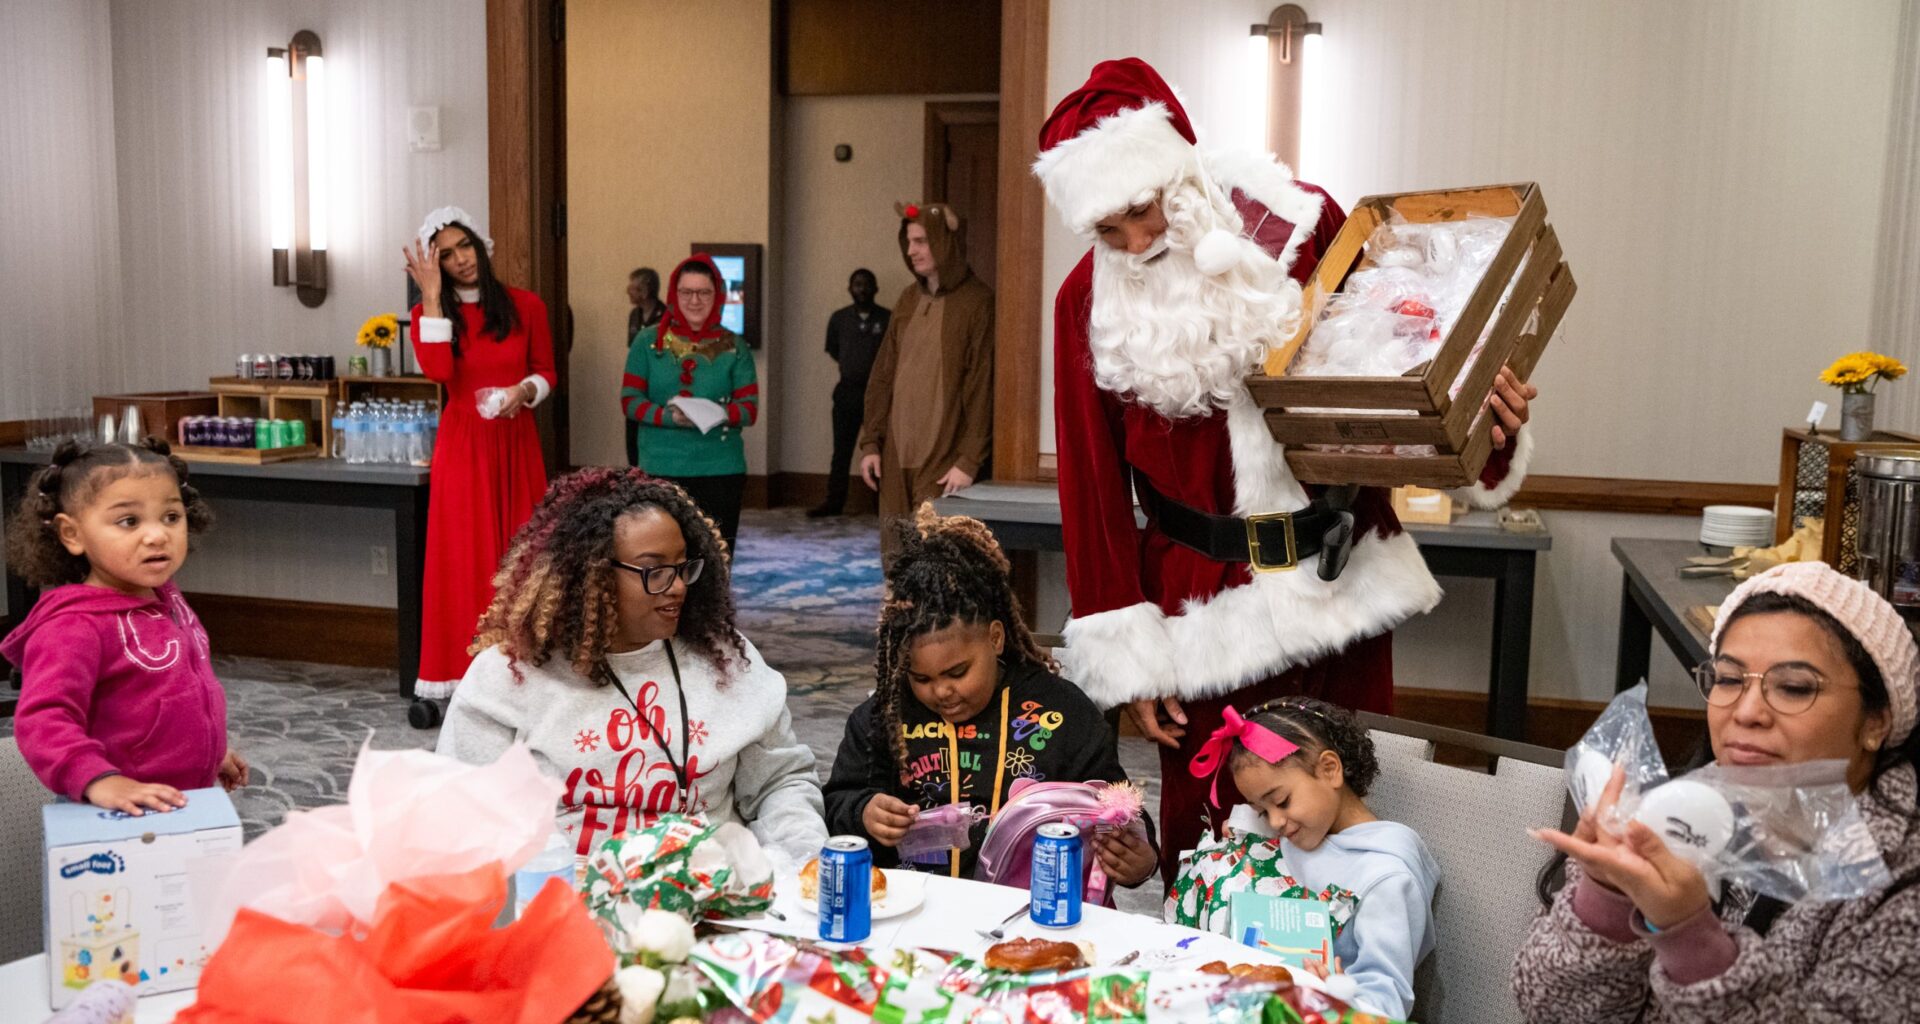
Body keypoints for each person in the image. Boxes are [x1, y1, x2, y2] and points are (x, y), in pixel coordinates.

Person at [1033, 58, 1538, 884]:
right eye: (1107, 230)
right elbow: (1090, 487)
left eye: (1141, 209)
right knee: (1212, 846)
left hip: (1338, 585)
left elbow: (1403, 366)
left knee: (1357, 819)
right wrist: (1132, 662)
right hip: (1201, 617)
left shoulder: (1303, 224)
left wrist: (1492, 425)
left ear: (1177, 169)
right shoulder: (1081, 301)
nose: (1137, 242)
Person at [1513, 562, 1920, 1022]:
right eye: (1728, 679)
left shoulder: (1902, 883)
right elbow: (1550, 1010)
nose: (1746, 713)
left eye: (1793, 687)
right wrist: (1608, 897)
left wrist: (1689, 937)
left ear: (1876, 721)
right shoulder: (1674, 820)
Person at [436, 467, 826, 863]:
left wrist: (802, 861)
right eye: (654, 571)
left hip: (712, 895)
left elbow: (781, 783)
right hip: (566, 898)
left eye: (682, 567)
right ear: (592, 575)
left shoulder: (724, 659)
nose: (677, 587)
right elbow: (463, 814)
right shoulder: (508, 677)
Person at [823, 505, 1158, 888]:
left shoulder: (1061, 711)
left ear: (995, 638)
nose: (942, 691)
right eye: (921, 678)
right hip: (914, 911)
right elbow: (837, 802)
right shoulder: (883, 717)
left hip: (1033, 913)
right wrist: (864, 812)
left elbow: (1118, 804)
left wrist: (1141, 859)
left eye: (958, 672)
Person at [1, 439, 248, 813]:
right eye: (128, 521)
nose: (157, 535)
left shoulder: (165, 597)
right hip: (120, 809)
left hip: (177, 799)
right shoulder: (73, 627)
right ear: (72, 534)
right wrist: (99, 780)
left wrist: (210, 749)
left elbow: (170, 696)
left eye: (171, 517)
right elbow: (44, 720)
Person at [1200, 696, 1437, 1018]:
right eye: (1261, 811)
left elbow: (1386, 1005)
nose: (1275, 822)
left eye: (1281, 801)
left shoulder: (1385, 878)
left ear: (1329, 769)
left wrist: (1333, 992)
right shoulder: (1304, 828)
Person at [403, 206, 556, 700]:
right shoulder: (429, 315)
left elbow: (546, 371)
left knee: (522, 554)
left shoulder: (526, 305)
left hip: (516, 440)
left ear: (480, 245)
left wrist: (524, 391)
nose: (460, 260)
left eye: (464, 246)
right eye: (445, 255)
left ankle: (526, 670)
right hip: (464, 446)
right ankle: (464, 677)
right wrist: (430, 299)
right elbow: (439, 372)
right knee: (464, 557)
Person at [857, 203, 993, 558]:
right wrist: (871, 441)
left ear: (944, 243)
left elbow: (982, 386)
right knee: (896, 557)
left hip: (943, 459)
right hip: (895, 455)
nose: (911, 250)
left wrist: (969, 459)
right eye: (908, 241)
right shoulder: (907, 298)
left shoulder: (977, 303)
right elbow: (883, 374)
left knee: (935, 561)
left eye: (921, 241)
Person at [622, 254, 758, 554]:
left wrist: (718, 413)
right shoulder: (647, 342)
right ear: (674, 294)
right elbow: (630, 402)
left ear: (718, 296)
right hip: (661, 468)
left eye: (704, 292)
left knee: (714, 563)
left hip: (720, 470)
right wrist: (670, 417)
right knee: (661, 561)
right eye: (686, 292)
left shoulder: (735, 347)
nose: (695, 300)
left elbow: (749, 409)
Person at [809, 268, 890, 518]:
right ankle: (834, 502)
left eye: (867, 284)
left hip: (878, 396)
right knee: (841, 451)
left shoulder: (888, 318)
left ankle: (882, 506)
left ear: (876, 288)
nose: (862, 289)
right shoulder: (839, 318)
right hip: (847, 392)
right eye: (857, 284)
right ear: (849, 288)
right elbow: (834, 350)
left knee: (880, 451)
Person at [624, 267, 664, 468]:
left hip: (656, 388)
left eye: (632, 287)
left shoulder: (665, 317)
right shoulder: (634, 315)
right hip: (637, 385)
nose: (627, 291)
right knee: (632, 436)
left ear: (645, 290)